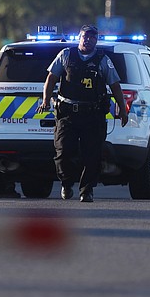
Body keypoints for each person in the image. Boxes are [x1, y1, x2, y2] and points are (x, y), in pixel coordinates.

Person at [39, 25, 129, 203]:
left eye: (92, 38)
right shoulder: (66, 55)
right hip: (67, 114)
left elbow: (115, 85)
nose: (88, 40)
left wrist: (122, 108)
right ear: (79, 38)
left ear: (96, 41)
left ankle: (87, 190)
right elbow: (51, 78)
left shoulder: (103, 60)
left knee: (92, 155)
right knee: (63, 151)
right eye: (85, 37)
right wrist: (45, 100)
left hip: (92, 115)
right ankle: (66, 183)